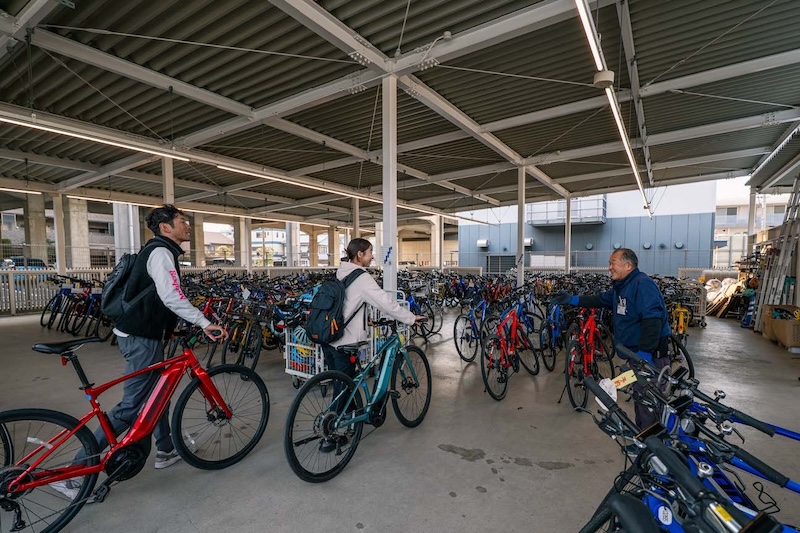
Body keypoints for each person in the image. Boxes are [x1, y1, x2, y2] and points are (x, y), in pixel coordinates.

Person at [52, 205, 226, 500]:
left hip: (145, 333)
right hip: (140, 337)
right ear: (165, 228)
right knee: (132, 407)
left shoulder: (160, 250)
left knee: (159, 392)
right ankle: (74, 474)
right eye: (182, 221)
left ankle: (166, 449)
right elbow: (172, 295)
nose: (187, 225)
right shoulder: (161, 253)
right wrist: (204, 322)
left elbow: (161, 297)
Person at [319, 238, 422, 453]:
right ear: (359, 255)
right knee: (344, 389)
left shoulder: (341, 272)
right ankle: (333, 434)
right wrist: (410, 318)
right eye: (369, 253)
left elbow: (347, 304)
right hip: (345, 340)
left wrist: (367, 321)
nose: (372, 256)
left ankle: (351, 422)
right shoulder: (362, 277)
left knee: (345, 384)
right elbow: (386, 302)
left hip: (329, 338)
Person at [552, 248, 671, 430]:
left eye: (612, 263)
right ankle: (645, 441)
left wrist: (645, 354)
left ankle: (656, 450)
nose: (609, 268)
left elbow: (653, 319)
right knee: (641, 398)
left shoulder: (642, 284)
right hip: (636, 355)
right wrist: (572, 300)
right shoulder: (622, 287)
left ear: (628, 265)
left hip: (650, 356)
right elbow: (600, 299)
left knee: (650, 400)